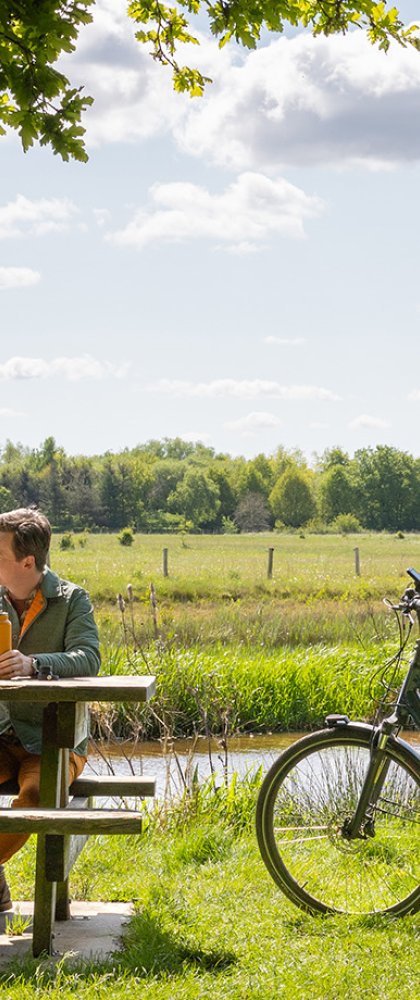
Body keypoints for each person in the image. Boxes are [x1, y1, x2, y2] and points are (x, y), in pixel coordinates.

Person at [0, 507, 101, 911]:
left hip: (54, 742)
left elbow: (88, 657)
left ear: (27, 562)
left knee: (37, 797)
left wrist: (34, 664)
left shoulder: (72, 599)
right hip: (2, 735)